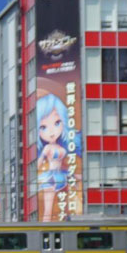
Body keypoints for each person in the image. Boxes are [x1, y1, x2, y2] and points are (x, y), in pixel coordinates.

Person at [35, 93, 71, 223]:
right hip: (50, 178)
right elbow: (38, 164)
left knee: (65, 205)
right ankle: (45, 230)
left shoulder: (61, 146)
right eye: (43, 127)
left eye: (57, 123)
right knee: (47, 209)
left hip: (61, 175)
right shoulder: (47, 148)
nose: (51, 132)